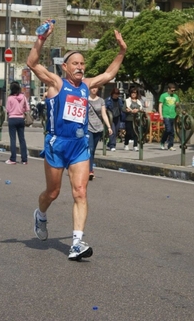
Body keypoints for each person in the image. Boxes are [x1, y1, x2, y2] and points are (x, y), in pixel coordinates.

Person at [27, 20, 127, 261]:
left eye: (82, 63)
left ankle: (77, 242)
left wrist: (122, 51)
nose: (80, 67)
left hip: (79, 145)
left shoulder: (87, 86)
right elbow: (32, 63)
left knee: (80, 192)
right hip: (56, 144)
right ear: (65, 67)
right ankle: (40, 214)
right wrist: (40, 39)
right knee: (52, 192)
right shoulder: (56, 83)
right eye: (75, 63)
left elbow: (109, 73)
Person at [88, 87, 112, 180]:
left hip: (98, 127)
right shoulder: (84, 99)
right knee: (89, 149)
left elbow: (104, 114)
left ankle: (89, 167)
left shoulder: (101, 100)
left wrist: (109, 127)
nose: (94, 89)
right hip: (87, 127)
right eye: (92, 88)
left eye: (96, 88)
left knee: (93, 150)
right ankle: (90, 170)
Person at [5, 81, 30, 165]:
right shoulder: (23, 97)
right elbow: (27, 108)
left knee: (13, 139)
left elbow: (7, 109)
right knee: (22, 139)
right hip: (21, 119)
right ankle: (24, 159)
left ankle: (13, 159)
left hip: (12, 119)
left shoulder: (10, 98)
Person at [159, 83, 180, 151]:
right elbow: (160, 105)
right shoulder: (163, 96)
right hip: (166, 115)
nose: (173, 92)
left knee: (172, 131)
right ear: (168, 89)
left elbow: (177, 105)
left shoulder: (175, 96)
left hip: (173, 115)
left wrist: (177, 104)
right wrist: (161, 114)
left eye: (174, 90)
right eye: (172, 90)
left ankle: (170, 145)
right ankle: (162, 141)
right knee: (168, 129)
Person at [122, 87, 143, 151]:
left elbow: (141, 109)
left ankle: (135, 145)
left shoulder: (139, 102)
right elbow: (123, 109)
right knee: (128, 132)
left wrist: (138, 110)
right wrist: (128, 110)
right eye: (132, 93)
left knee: (136, 132)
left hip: (137, 119)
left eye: (135, 93)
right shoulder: (127, 100)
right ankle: (126, 144)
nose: (133, 94)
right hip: (129, 119)